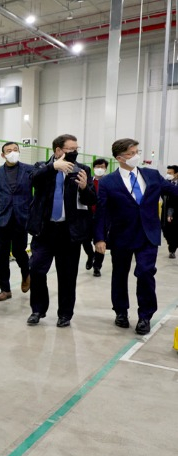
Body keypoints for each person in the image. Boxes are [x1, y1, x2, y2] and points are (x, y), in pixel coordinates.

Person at [94, 140, 178, 335]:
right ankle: (121, 312)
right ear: (119, 158)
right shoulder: (108, 182)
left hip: (148, 234)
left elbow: (173, 191)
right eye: (131, 153)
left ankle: (145, 316)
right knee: (120, 275)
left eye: (136, 151)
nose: (136, 156)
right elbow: (102, 213)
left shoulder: (152, 175)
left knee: (146, 272)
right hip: (121, 235)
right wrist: (99, 238)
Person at [25, 134, 96, 328]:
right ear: (57, 151)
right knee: (37, 269)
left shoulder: (82, 169)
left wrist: (84, 187)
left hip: (69, 232)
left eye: (76, 149)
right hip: (44, 231)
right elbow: (31, 181)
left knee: (67, 275)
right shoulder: (41, 166)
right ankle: (38, 310)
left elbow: (91, 200)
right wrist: (52, 167)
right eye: (70, 149)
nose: (75, 152)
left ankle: (65, 314)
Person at [0, 142, 33, 301]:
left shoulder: (29, 170)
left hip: (22, 217)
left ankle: (26, 273)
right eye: (9, 151)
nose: (12, 152)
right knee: (2, 255)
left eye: (15, 150)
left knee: (20, 251)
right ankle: (5, 289)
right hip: (3, 219)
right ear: (3, 155)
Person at [81, 158, 109, 277]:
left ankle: (97, 266)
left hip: (102, 217)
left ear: (106, 168)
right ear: (93, 168)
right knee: (84, 240)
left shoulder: (108, 182)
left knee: (100, 241)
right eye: (97, 166)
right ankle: (90, 255)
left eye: (102, 167)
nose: (100, 169)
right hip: (87, 216)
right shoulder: (87, 181)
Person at [161, 165, 178, 259]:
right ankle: (171, 244)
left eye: (170, 173)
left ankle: (172, 249)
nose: (168, 175)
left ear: (176, 173)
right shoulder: (165, 183)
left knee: (175, 231)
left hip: (176, 211)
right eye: (167, 173)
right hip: (166, 210)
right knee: (166, 231)